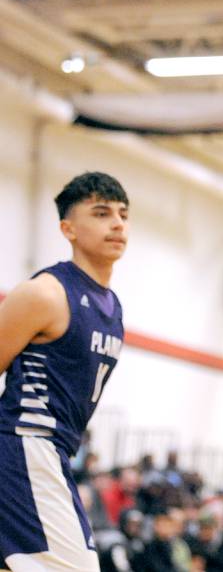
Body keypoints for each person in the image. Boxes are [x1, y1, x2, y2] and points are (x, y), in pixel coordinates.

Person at [0, 171, 129, 571]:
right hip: (25, 443)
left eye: (123, 215)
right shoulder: (46, 293)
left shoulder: (113, 306)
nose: (117, 224)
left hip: (54, 453)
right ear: (68, 228)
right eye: (102, 213)